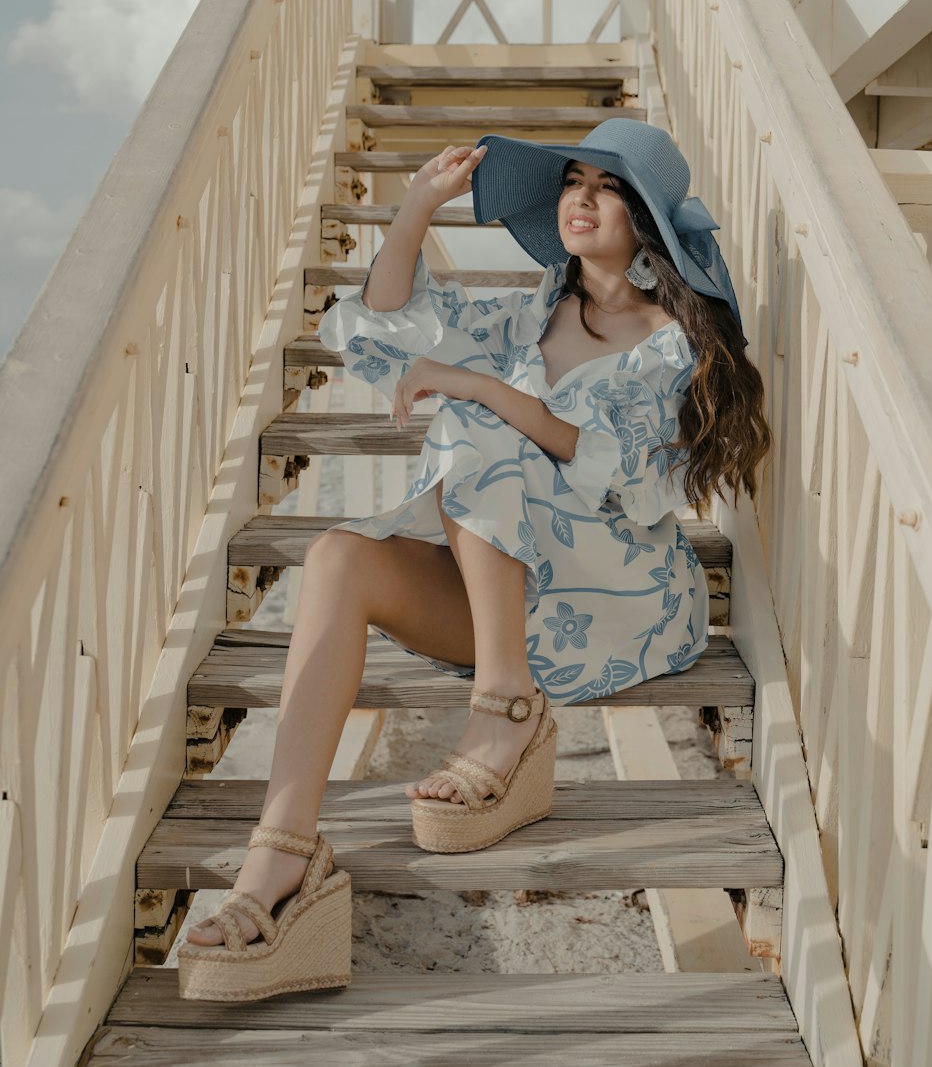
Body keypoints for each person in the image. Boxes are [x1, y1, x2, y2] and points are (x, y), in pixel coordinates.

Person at [176, 118, 773, 1002]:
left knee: (477, 416)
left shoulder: (671, 345)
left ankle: (505, 712)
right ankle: (284, 859)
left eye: (606, 186)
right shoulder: (536, 311)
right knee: (339, 554)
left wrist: (484, 388)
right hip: (516, 599)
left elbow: (610, 464)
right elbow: (386, 325)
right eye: (573, 180)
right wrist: (418, 206)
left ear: (646, 220)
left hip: (618, 600)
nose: (581, 196)